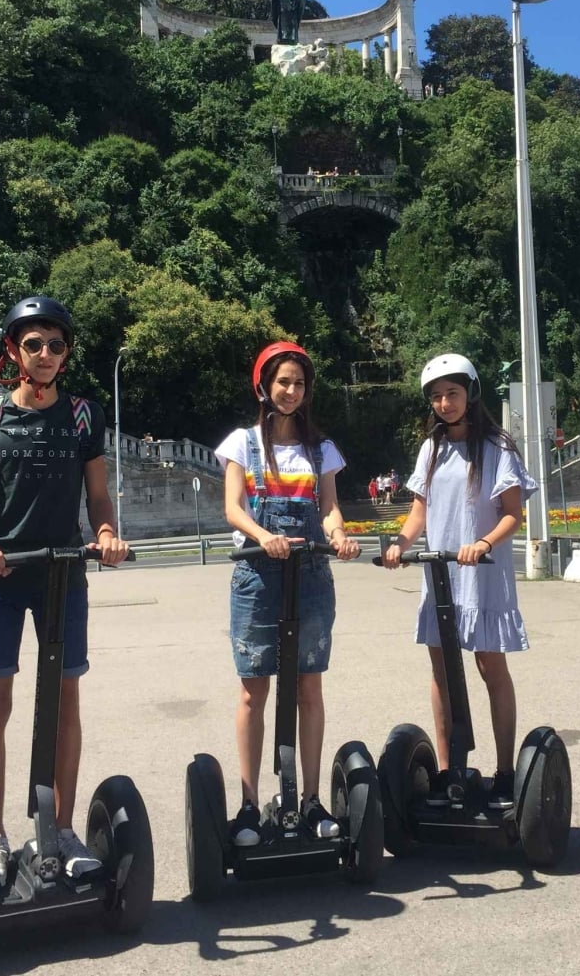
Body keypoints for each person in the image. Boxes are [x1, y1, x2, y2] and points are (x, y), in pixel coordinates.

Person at [0, 295, 130, 887]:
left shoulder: (84, 416)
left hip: (62, 574)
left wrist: (105, 530)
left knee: (64, 702)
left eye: (56, 344)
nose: (46, 354)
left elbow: (98, 494)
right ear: (13, 352)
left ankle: (62, 828)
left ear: (67, 351)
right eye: (34, 345)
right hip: (2, 577)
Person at [215, 340, 361, 847]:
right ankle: (250, 804)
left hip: (311, 574)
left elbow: (328, 507)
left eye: (299, 383)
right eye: (283, 382)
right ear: (264, 386)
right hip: (258, 573)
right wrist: (262, 536)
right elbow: (233, 507)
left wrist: (339, 534)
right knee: (254, 688)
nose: (291, 391)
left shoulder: (321, 448)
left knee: (308, 686)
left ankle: (312, 798)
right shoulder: (242, 443)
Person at [382, 354, 536, 807]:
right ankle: (450, 771)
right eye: (436, 396)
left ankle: (505, 772)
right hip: (441, 575)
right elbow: (418, 513)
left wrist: (484, 544)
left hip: (482, 576)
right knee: (442, 672)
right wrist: (401, 543)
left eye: (452, 393)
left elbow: (513, 515)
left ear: (470, 394)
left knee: (491, 670)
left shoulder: (497, 448)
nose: (444, 403)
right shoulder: (431, 449)